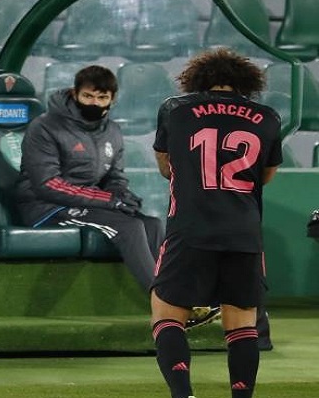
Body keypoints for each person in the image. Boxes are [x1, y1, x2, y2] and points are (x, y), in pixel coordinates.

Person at [151, 48, 282, 398]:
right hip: (244, 232)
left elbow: (165, 167)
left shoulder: (175, 109)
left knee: (167, 313)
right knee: (242, 324)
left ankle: (184, 395)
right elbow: (266, 176)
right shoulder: (268, 117)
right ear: (245, 83)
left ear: (197, 79)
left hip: (190, 227)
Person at [14, 65, 165, 293]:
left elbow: (114, 176)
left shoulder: (112, 131)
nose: (94, 103)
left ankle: (173, 292)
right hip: (47, 208)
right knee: (129, 227)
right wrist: (109, 200)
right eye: (88, 96)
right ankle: (163, 300)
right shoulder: (45, 127)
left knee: (152, 224)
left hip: (89, 204)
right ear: (75, 94)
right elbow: (47, 184)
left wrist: (121, 195)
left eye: (102, 98)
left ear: (112, 99)